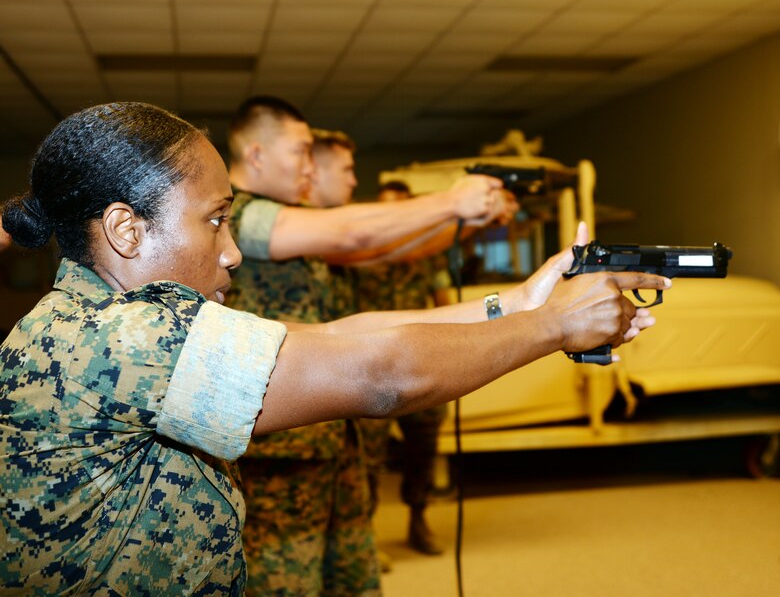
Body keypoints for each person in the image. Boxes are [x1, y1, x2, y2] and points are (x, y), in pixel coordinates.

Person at [0, 102, 667, 597]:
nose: (231, 251)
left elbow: (348, 335)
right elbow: (380, 376)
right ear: (126, 229)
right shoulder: (122, 337)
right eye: (213, 220)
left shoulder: (103, 318)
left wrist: (520, 302)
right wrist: (555, 325)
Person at [225, 97, 517, 597]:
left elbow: (375, 249)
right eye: (300, 151)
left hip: (330, 426)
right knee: (284, 582)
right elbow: (355, 229)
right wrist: (451, 201)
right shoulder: (235, 214)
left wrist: (466, 224)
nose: (308, 164)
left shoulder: (290, 218)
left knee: (353, 577)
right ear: (256, 155)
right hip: (281, 443)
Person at [353, 181, 453, 559]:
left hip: (419, 362)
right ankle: (368, 534)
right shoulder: (359, 256)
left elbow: (444, 305)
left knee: (423, 447)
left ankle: (418, 519)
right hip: (370, 365)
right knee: (369, 457)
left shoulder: (429, 255)